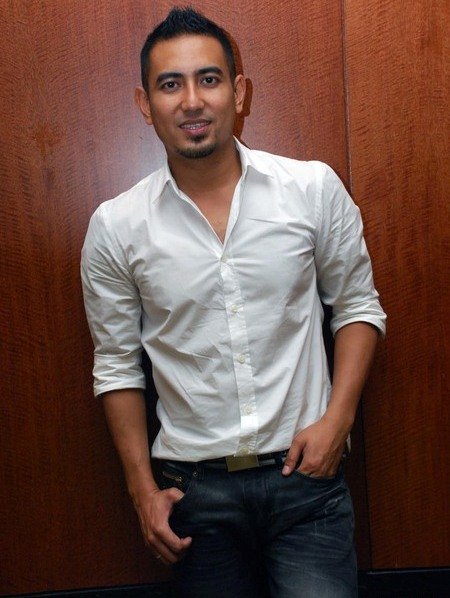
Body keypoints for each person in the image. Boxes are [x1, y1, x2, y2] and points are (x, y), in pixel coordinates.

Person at [81, 7, 386, 597]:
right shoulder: (116, 227)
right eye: (171, 84)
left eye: (209, 79)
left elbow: (357, 307)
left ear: (239, 92)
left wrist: (338, 420)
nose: (192, 101)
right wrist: (143, 492)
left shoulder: (311, 189)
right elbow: (116, 365)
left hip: (307, 484)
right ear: (145, 103)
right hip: (194, 496)